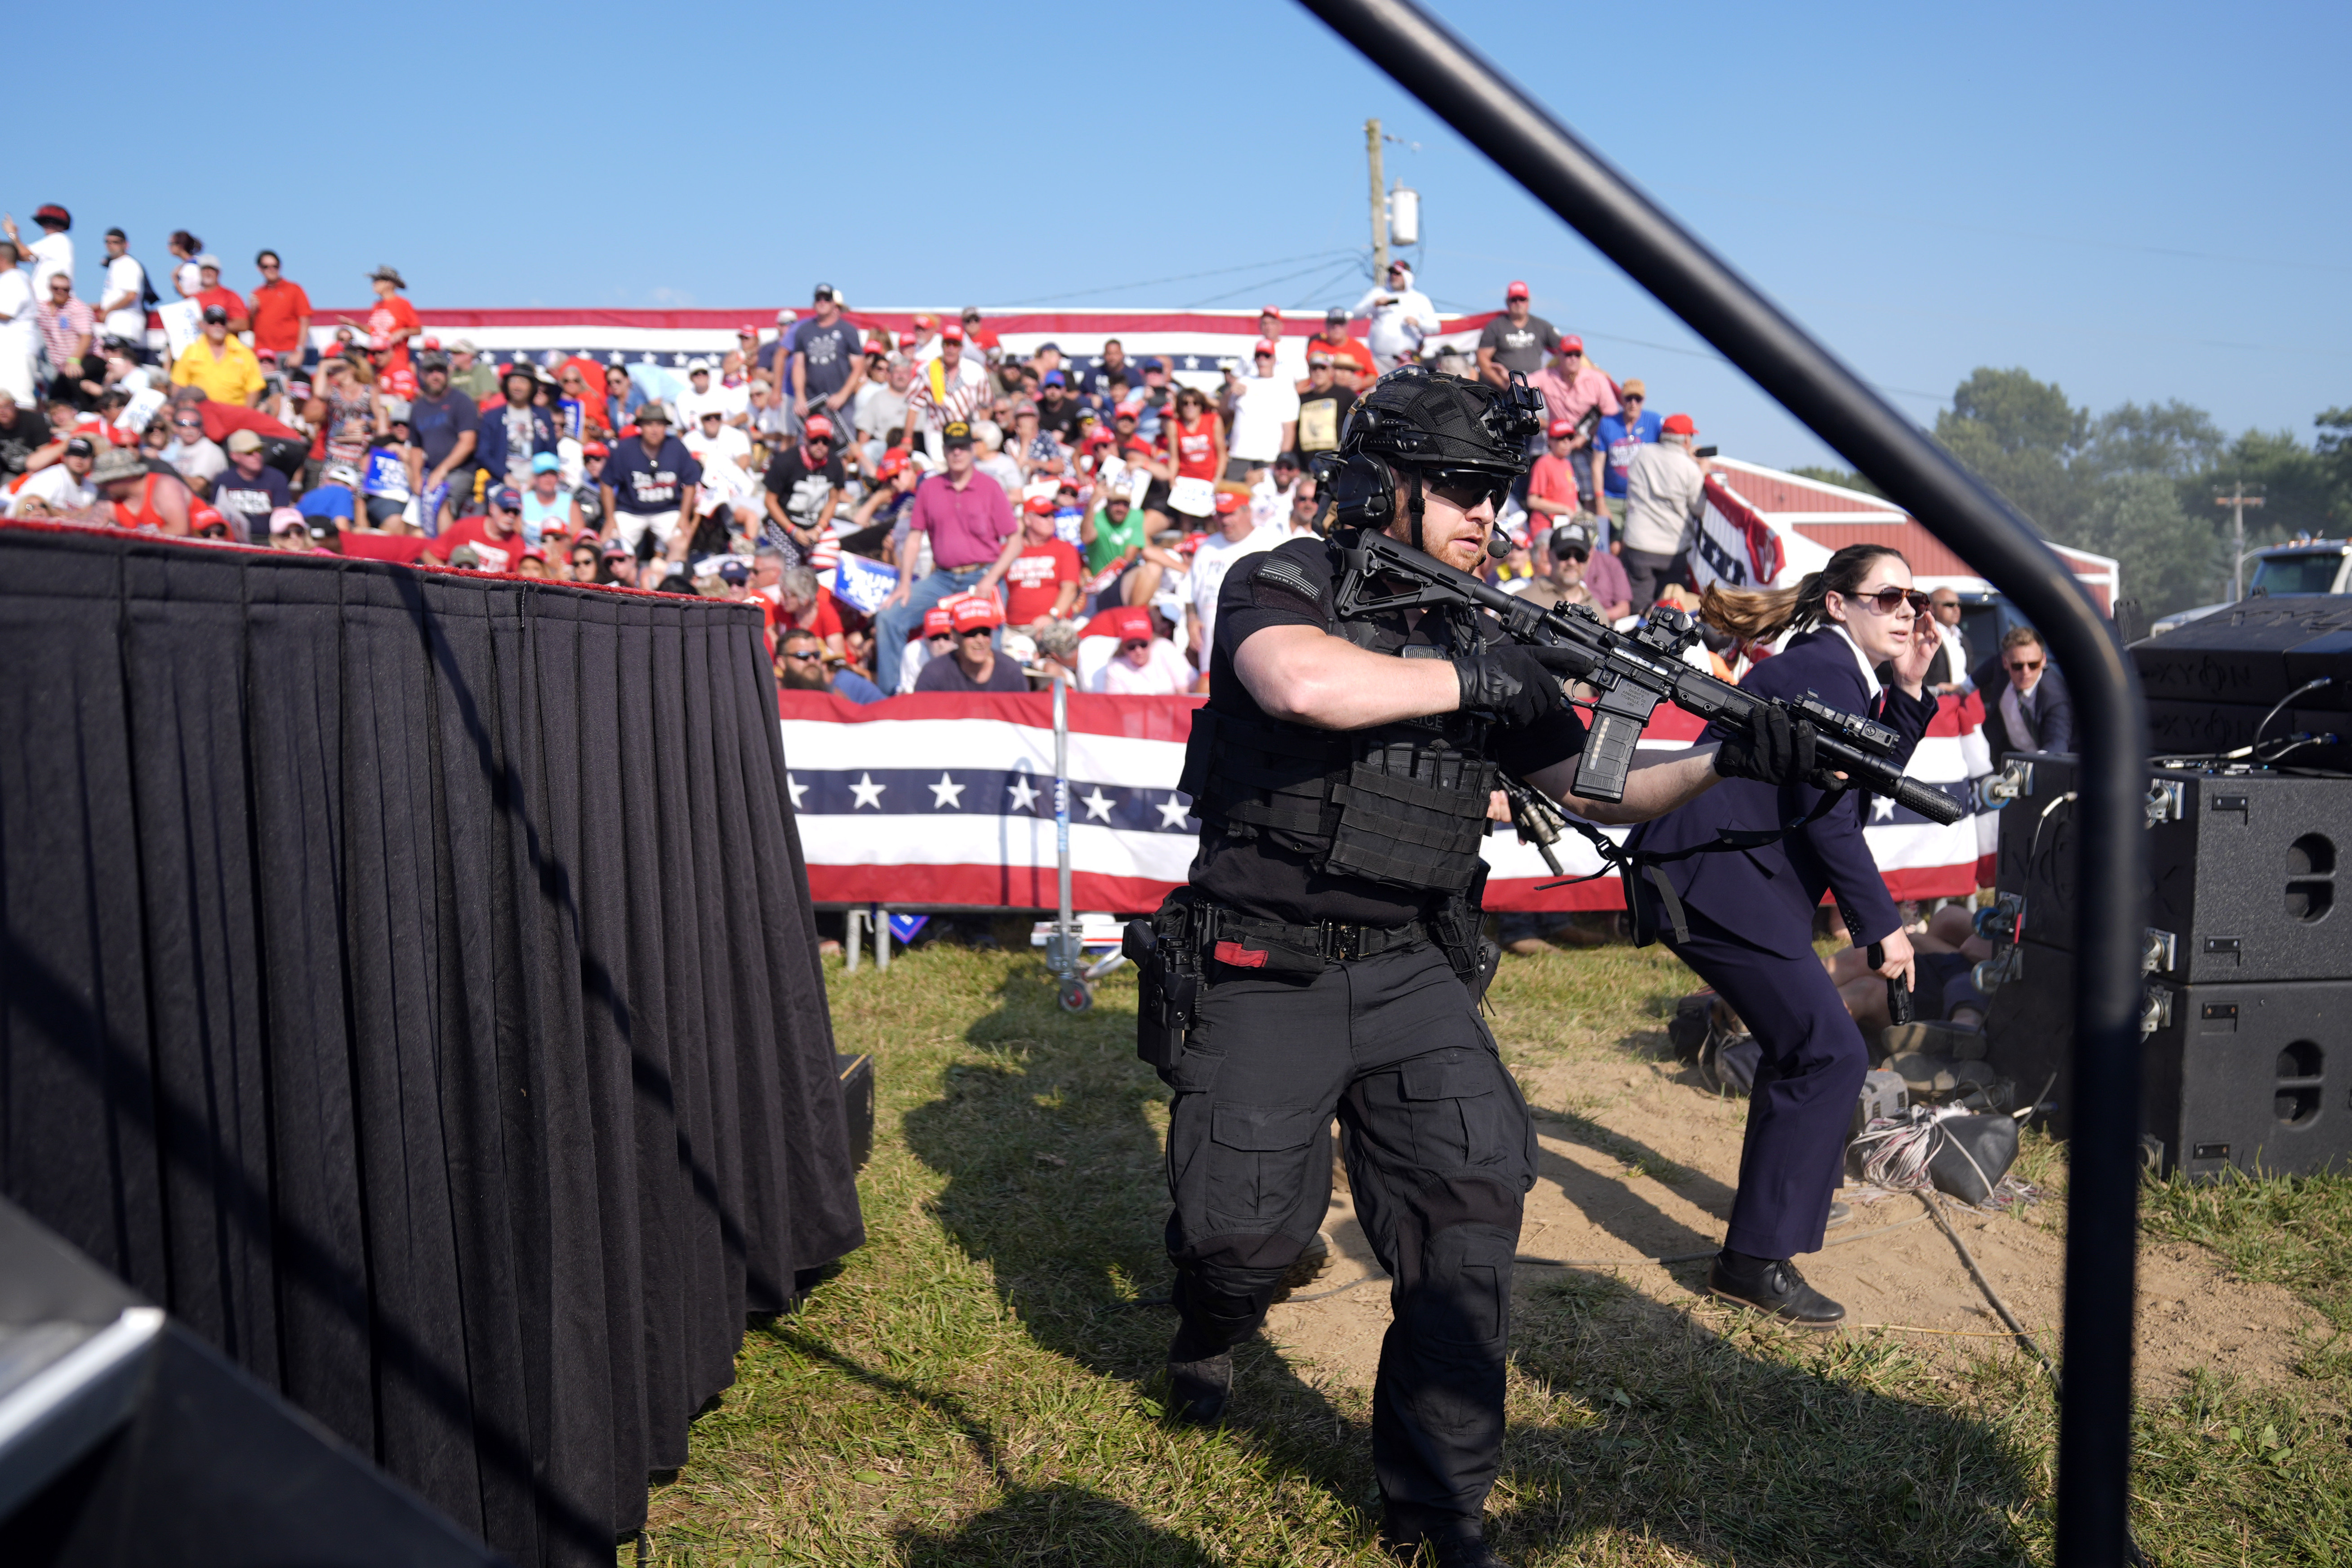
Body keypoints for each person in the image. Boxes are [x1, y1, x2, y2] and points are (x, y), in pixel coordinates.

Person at [1149, 365, 1810, 1568]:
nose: (1482, 515)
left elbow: (1590, 784)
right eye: (1457, 488)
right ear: (1378, 484)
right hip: (1267, 963)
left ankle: (1439, 1512)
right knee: (1241, 1232)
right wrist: (1474, 677)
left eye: (1494, 494)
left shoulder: (1484, 626)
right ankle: (1213, 1313)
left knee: (1468, 1217)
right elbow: (1297, 682)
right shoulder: (1283, 577)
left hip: (1410, 972)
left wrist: (1728, 757)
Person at [1629, 547, 1940, 1331]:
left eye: (1914, 596)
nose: (1907, 609)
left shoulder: (1838, 674)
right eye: (1889, 595)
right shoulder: (1822, 672)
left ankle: (1779, 1214)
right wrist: (1882, 930)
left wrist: (1908, 692)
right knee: (1825, 1049)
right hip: (1715, 885)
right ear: (1839, 604)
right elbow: (1834, 813)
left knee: (1809, 1046)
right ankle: (1753, 1259)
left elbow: (1864, 775)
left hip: (1725, 884)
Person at [873, 420, 1016, 693]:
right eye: (952, 448)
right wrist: (904, 584)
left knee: (988, 642)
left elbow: (1015, 540)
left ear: (972, 449)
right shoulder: (930, 488)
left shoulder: (990, 487)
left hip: (983, 575)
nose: (958, 453)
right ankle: (890, 698)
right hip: (943, 579)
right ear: (944, 450)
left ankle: (993, 708)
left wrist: (992, 579)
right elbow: (914, 537)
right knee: (890, 617)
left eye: (963, 447)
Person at [1618, 413, 1708, 612]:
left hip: (1639, 543)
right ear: (1686, 439)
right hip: (1672, 550)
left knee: (1638, 610)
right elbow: (1699, 509)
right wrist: (1701, 471)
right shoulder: (1690, 468)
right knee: (1669, 611)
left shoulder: (1643, 454)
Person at [598, 402, 699, 571]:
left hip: (667, 510)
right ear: (641, 427)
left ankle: (670, 586)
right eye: (649, 424)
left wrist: (684, 517)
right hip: (630, 511)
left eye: (660, 424)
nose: (654, 430)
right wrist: (610, 519)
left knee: (681, 543)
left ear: (666, 427)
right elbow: (606, 483)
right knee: (608, 543)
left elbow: (690, 483)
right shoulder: (625, 448)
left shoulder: (676, 447)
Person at [1975, 626, 2071, 764]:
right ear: (2006, 663)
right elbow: (1991, 665)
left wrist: (2035, 766)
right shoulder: (2002, 668)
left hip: (2045, 760)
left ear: (2044, 660)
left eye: (2033, 665)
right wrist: (1967, 686)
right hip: (2008, 753)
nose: (2026, 672)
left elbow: (2057, 743)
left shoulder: (2056, 697)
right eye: (2018, 666)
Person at [407, 349, 479, 526]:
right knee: (410, 515)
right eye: (430, 371)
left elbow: (468, 442)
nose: (435, 376)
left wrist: (442, 470)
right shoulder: (418, 408)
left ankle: (441, 552)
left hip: (461, 471)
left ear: (448, 373)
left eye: (440, 371)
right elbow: (416, 447)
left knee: (441, 503)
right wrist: (416, 476)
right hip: (431, 473)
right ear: (422, 375)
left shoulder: (461, 401)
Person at [761, 416, 844, 563]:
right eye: (815, 440)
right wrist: (793, 530)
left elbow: (834, 499)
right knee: (789, 568)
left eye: (825, 442)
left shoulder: (835, 464)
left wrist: (819, 529)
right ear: (805, 439)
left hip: (815, 526)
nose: (820, 446)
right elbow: (769, 501)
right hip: (784, 524)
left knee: (828, 564)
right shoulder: (785, 461)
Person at [790, 284, 866, 436]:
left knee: (844, 449)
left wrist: (843, 395)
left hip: (841, 403)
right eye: (819, 299)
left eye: (827, 299)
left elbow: (859, 367)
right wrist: (799, 397)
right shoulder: (803, 331)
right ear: (814, 303)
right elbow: (798, 365)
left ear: (834, 303)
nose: (822, 302)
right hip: (812, 402)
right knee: (809, 445)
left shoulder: (848, 331)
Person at [1517, 521, 1630, 622]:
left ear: (1590, 557)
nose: (1572, 562)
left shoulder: (1597, 612)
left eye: (1580, 556)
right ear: (1550, 555)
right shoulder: (1524, 600)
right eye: (1564, 555)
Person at [915, 595, 1027, 692]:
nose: (980, 640)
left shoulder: (1011, 671)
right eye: (971, 633)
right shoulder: (934, 674)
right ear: (954, 637)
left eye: (985, 632)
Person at [1594, 379, 1662, 539]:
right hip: (1612, 498)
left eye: (1638, 399)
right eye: (1629, 398)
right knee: (1612, 546)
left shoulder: (1654, 421)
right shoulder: (1608, 423)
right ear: (1622, 400)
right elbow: (1597, 464)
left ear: (1643, 401)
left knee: (1633, 543)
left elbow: (1673, 442)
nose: (1633, 404)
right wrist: (1600, 502)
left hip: (1641, 498)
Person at [477, 363, 559, 491]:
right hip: (502, 482)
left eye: (523, 382)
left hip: (536, 483)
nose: (517, 386)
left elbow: (551, 451)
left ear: (532, 386)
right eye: (513, 381)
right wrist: (506, 477)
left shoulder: (543, 416)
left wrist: (536, 478)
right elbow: (483, 454)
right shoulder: (492, 417)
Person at [1002, 498, 1083, 628]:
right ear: (1027, 519)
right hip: (1013, 627)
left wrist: (1053, 617)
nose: (1051, 520)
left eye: (1052, 515)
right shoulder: (1009, 550)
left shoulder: (1065, 549)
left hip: (1054, 625)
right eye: (1044, 516)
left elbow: (1070, 589)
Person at [1225, 342, 1299, 481]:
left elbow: (1289, 429)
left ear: (1274, 360)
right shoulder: (1243, 381)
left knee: (1265, 500)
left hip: (1269, 457)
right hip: (1239, 454)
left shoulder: (1285, 386)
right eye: (1259, 356)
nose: (1262, 360)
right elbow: (1224, 413)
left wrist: (1282, 460)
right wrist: (1230, 392)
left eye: (1267, 356)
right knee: (1235, 497)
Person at [1349, 258, 1440, 371]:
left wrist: (1418, 323)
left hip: (1407, 360)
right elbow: (1356, 314)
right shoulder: (1378, 293)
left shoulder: (1420, 299)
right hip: (1379, 360)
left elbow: (1435, 327)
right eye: (1392, 273)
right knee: (1379, 388)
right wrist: (1374, 304)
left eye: (1398, 274)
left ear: (1407, 277)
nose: (1394, 276)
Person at [172, 306, 267, 406]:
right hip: (200, 414)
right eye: (212, 322)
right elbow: (178, 385)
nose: (218, 326)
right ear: (203, 325)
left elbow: (254, 387)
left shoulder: (245, 353)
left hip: (234, 414)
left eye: (222, 322)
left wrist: (246, 415)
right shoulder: (190, 351)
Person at [1090, 605, 1192, 695]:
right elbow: (1118, 708)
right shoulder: (1116, 668)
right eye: (1132, 647)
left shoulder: (1166, 649)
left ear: (1151, 642)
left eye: (1143, 645)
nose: (1138, 650)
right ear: (1124, 648)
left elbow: (1184, 694)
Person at [1474, 281, 1557, 388]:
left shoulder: (1542, 326)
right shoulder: (1495, 326)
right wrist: (1504, 384)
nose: (1518, 303)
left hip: (1534, 389)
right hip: (1504, 391)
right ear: (1507, 302)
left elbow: (1565, 351)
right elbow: (1482, 359)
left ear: (1528, 302)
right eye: (1514, 300)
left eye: (1522, 299)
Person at [214, 430, 293, 540]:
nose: (256, 456)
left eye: (259, 450)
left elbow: (281, 517)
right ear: (234, 456)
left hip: (267, 540)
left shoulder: (277, 478)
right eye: (249, 453)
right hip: (232, 539)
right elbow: (216, 512)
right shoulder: (224, 479)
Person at [429, 485, 529, 571]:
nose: (511, 516)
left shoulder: (518, 544)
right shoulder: (466, 527)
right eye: (506, 510)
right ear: (492, 508)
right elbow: (430, 555)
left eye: (516, 512)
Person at [777, 627, 886, 704]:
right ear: (782, 662)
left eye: (816, 655)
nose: (811, 661)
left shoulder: (836, 696)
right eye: (802, 656)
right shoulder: (773, 696)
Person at [34, 272, 96, 401]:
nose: (60, 292)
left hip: (87, 357)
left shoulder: (78, 308)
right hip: (61, 365)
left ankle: (88, 412)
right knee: (56, 396)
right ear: (50, 288)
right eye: (56, 288)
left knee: (73, 376)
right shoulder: (42, 309)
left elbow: (86, 336)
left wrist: (74, 361)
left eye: (65, 289)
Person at [6, 433, 97, 517]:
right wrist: (74, 515)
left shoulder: (91, 488)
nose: (79, 459)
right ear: (64, 457)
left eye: (84, 455)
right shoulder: (53, 478)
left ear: (92, 460)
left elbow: (87, 517)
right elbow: (30, 509)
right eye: (74, 454)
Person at [248, 251, 312, 365]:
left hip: (288, 354)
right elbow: (250, 327)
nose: (271, 269)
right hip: (263, 355)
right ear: (259, 269)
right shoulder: (256, 294)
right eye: (266, 266)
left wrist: (300, 351)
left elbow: (305, 321)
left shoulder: (294, 289)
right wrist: (252, 311)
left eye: (275, 266)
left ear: (280, 267)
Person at [364, 265, 421, 383]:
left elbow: (418, 330)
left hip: (396, 362)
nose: (373, 284)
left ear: (389, 284)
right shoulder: (376, 305)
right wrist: (355, 325)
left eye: (377, 281)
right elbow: (373, 331)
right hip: (375, 362)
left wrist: (404, 332)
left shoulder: (403, 304)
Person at [5, 206, 74, 299]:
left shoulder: (59, 239)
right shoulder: (55, 243)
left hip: (49, 299)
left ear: (63, 226)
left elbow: (23, 253)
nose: (49, 225)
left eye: (54, 222)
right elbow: (23, 258)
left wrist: (12, 234)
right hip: (45, 300)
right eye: (45, 221)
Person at [96, 229, 148, 348]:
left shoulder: (129, 264)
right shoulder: (115, 264)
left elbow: (131, 296)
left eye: (115, 242)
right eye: (107, 242)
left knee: (117, 361)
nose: (111, 246)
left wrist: (107, 311)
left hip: (124, 325)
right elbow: (114, 297)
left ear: (126, 244)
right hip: (115, 325)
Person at [161, 405, 229, 494]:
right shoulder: (175, 445)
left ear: (201, 428)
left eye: (195, 424)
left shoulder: (208, 449)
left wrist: (161, 468)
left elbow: (197, 486)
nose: (189, 428)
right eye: (184, 424)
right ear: (175, 428)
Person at [521, 451, 583, 545]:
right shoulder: (523, 501)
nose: (548, 478)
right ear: (535, 478)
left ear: (558, 478)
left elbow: (578, 539)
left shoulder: (570, 504)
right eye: (543, 474)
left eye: (552, 474)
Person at [1924, 589, 1975, 696]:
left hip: (1963, 703)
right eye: (1950, 605)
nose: (1956, 609)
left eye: (1958, 604)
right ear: (1932, 608)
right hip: (1937, 703)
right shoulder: (1926, 637)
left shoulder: (1962, 638)